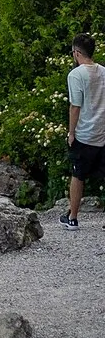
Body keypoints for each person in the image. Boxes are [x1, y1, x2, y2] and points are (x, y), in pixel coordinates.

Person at [61, 34, 105, 229]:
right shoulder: (104, 72)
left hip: (85, 133)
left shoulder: (76, 75)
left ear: (76, 53)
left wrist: (71, 133)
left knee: (78, 175)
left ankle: (73, 217)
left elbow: (75, 106)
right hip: (103, 131)